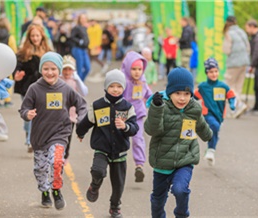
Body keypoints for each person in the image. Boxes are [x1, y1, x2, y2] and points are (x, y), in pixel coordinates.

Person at [19, 52, 87, 210]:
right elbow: (24, 108)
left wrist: (81, 120)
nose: (50, 72)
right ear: (41, 69)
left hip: (60, 134)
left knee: (56, 162)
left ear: (60, 70)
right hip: (39, 136)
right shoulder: (34, 89)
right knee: (40, 169)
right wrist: (27, 114)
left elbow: (82, 104)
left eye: (54, 69)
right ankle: (44, 191)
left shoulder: (66, 88)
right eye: (46, 68)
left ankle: (56, 190)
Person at [144, 67, 213, 218]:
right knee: (157, 201)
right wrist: (156, 109)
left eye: (187, 94)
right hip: (162, 161)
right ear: (169, 92)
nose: (182, 98)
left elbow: (200, 125)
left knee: (180, 189)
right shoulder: (161, 107)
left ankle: (181, 214)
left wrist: (209, 135)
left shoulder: (194, 108)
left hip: (185, 159)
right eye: (178, 93)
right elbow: (151, 130)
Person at [76, 69, 139, 218]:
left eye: (119, 86)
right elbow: (87, 121)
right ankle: (94, 185)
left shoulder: (127, 107)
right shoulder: (98, 105)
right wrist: (80, 132)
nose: (115, 89)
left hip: (120, 151)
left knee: (118, 184)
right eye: (112, 86)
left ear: (123, 88)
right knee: (98, 170)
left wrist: (125, 126)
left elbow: (135, 128)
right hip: (102, 148)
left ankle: (115, 207)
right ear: (106, 87)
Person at [14, 24, 52, 153]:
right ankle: (29, 137)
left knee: (40, 114)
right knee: (28, 113)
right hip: (27, 88)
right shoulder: (23, 53)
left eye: (37, 35)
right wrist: (16, 74)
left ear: (42, 37)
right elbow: (17, 66)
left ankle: (34, 138)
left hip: (43, 88)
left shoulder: (48, 53)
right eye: (32, 36)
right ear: (29, 37)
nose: (35, 38)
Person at [194, 58, 236, 166]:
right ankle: (211, 150)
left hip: (219, 115)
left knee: (215, 130)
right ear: (206, 73)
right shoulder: (203, 87)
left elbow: (231, 95)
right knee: (214, 126)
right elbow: (194, 96)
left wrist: (232, 104)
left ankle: (210, 150)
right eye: (211, 72)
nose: (214, 74)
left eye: (216, 71)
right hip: (207, 113)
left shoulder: (223, 86)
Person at [121, 51, 152, 182]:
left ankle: (139, 165)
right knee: (120, 141)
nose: (137, 72)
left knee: (138, 139)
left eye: (140, 69)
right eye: (134, 69)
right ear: (128, 68)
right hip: (122, 115)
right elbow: (115, 95)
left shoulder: (142, 81)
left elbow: (148, 94)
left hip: (138, 115)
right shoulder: (123, 80)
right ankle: (116, 163)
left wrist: (155, 101)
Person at [60, 55, 88, 160]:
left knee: (68, 136)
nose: (67, 72)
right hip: (57, 114)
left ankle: (65, 156)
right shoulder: (58, 79)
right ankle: (58, 155)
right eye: (65, 69)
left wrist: (77, 79)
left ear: (73, 70)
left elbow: (84, 92)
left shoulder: (75, 80)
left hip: (70, 115)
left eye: (70, 69)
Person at [222, 15, 250, 118]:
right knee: (238, 87)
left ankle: (239, 104)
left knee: (229, 85)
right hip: (244, 62)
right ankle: (235, 109)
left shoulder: (228, 34)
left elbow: (226, 50)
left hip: (233, 63)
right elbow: (248, 47)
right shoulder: (242, 32)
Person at [70, 14, 90, 81]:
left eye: (85, 18)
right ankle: (79, 85)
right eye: (82, 18)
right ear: (79, 19)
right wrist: (79, 41)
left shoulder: (85, 28)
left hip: (84, 49)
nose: (83, 20)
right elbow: (72, 37)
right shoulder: (76, 27)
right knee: (80, 69)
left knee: (87, 68)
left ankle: (80, 82)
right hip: (78, 49)